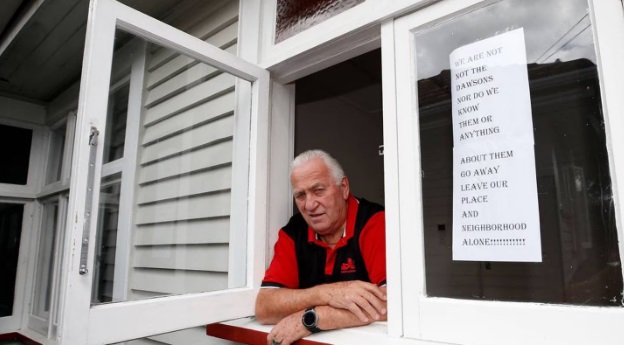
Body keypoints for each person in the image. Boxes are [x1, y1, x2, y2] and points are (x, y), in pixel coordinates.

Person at [255, 150, 387, 345]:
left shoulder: (374, 222)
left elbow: (390, 303)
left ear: (343, 188)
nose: (309, 205)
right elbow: (265, 307)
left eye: (318, 190)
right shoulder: (293, 232)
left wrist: (312, 319)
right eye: (300, 195)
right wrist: (328, 293)